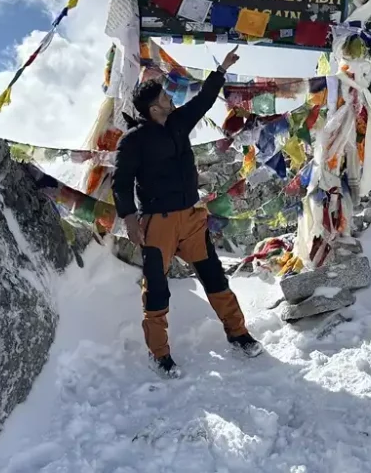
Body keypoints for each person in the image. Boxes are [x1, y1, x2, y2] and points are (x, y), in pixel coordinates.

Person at [112, 45, 262, 378]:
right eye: (165, 98)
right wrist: (130, 218)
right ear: (154, 109)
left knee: (214, 276)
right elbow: (120, 183)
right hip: (157, 224)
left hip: (191, 218)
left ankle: (238, 333)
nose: (171, 99)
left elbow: (204, 100)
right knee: (157, 288)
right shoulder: (133, 141)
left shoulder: (179, 121)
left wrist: (221, 70)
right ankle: (160, 354)